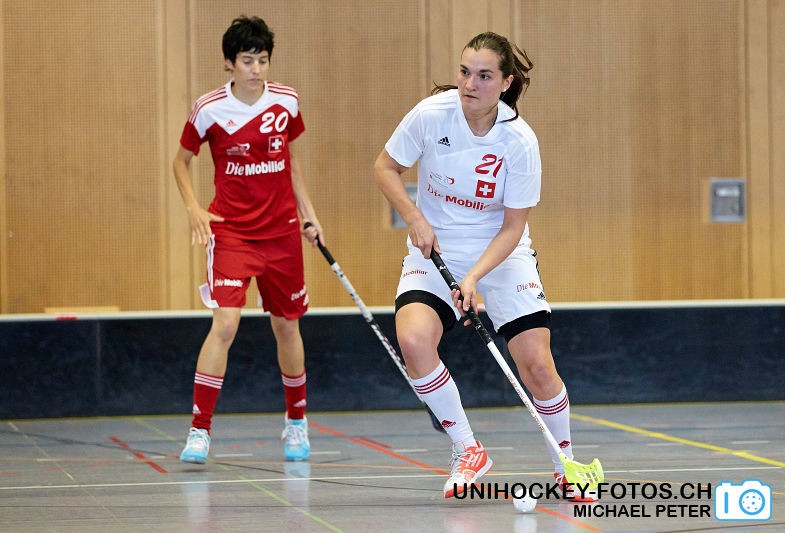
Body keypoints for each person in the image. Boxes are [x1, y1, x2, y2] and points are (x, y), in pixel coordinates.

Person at [374, 32, 593, 499]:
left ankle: (566, 464)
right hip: (436, 249)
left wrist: (473, 279)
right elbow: (385, 167)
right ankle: (467, 448)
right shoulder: (431, 115)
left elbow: (514, 227)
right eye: (464, 72)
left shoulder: (519, 140)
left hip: (502, 253)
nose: (470, 84)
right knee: (413, 339)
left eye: (484, 76)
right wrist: (415, 217)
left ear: (506, 82)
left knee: (536, 361)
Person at [172, 15, 322, 464]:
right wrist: (194, 208)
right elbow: (180, 161)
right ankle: (199, 431)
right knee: (225, 324)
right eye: (247, 60)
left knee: (287, 326)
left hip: (281, 234)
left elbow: (291, 161)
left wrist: (308, 215)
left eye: (263, 60)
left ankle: (296, 422)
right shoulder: (209, 108)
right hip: (232, 233)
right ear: (229, 63)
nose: (256, 69)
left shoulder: (286, 101)